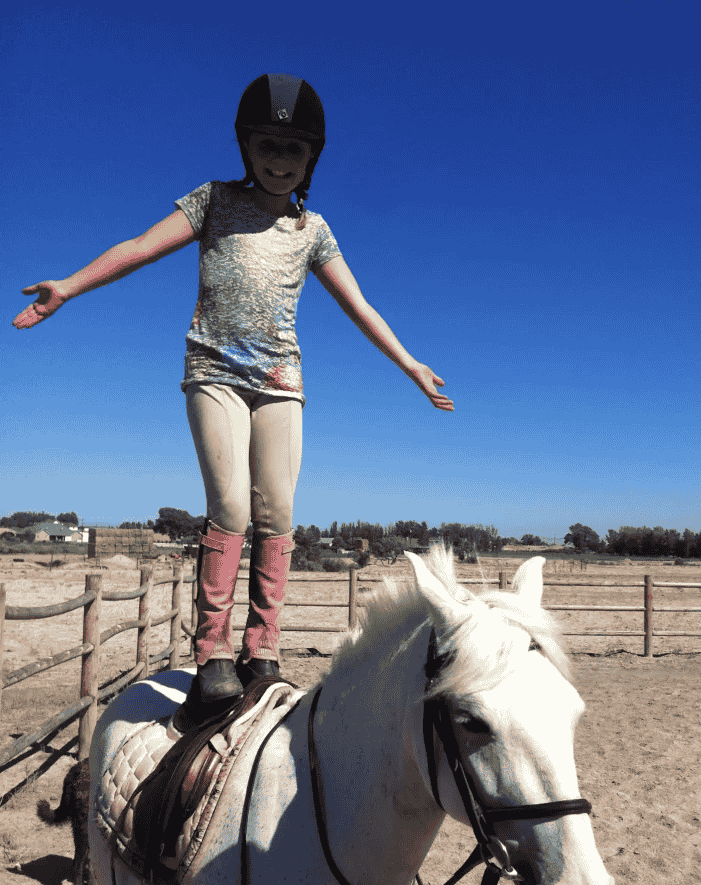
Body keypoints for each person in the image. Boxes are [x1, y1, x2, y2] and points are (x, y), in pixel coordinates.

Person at [13, 73, 453, 728]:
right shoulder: (214, 201)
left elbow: (359, 306)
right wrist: (69, 288)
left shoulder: (314, 231)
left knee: (278, 510)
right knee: (231, 506)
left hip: (282, 381)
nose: (279, 160)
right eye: (268, 145)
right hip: (213, 370)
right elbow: (139, 247)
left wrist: (411, 364)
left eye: (294, 150)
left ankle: (262, 649)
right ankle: (213, 652)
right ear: (246, 146)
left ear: (312, 160)